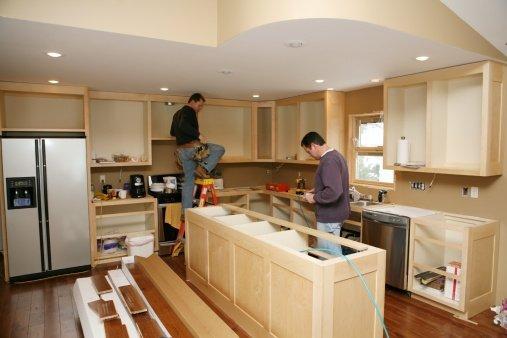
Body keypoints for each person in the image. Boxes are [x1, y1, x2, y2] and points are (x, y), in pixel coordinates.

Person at [170, 93, 225, 216]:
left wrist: (182, 135)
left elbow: (173, 132)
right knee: (219, 149)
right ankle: (202, 168)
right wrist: (198, 135)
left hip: (182, 152)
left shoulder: (176, 114)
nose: (200, 108)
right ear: (193, 101)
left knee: (188, 182)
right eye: (199, 105)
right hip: (193, 148)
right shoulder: (189, 110)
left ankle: (186, 213)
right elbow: (183, 125)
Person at [300, 131, 350, 254]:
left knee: (329, 256)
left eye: (308, 151)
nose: (310, 154)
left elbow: (334, 191)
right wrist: (317, 189)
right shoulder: (336, 155)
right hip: (334, 214)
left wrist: (315, 197)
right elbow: (334, 183)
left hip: (329, 216)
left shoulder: (329, 161)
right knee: (331, 252)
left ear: (313, 146)